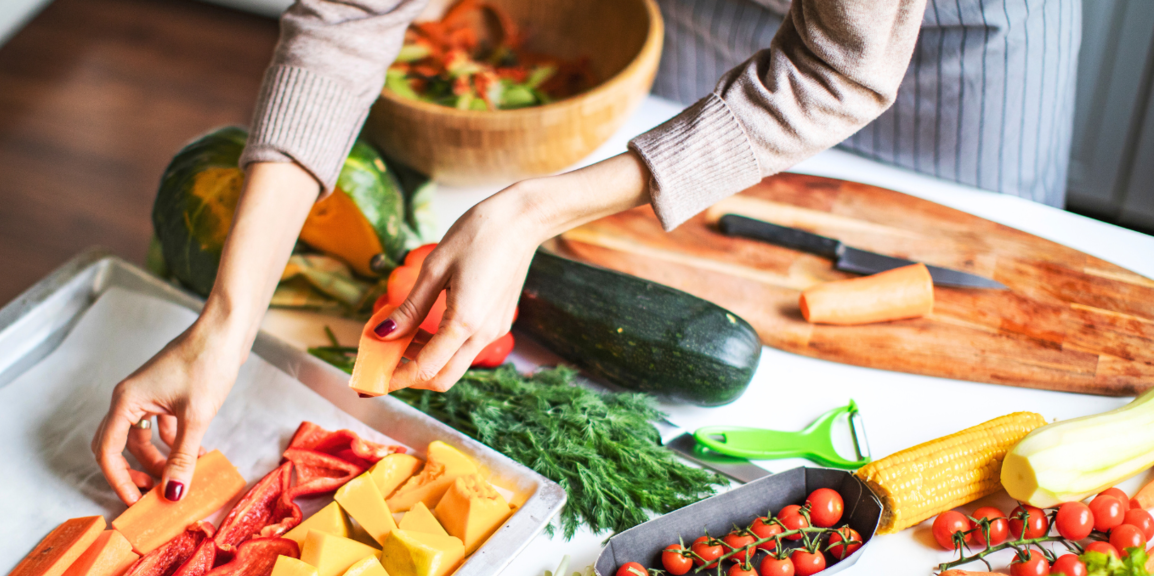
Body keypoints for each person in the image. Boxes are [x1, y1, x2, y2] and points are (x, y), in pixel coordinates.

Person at [92, 0, 1080, 505]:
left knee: (994, 286)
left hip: (962, 29)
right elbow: (351, 20)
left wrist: (529, 213)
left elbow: (836, 67)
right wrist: (222, 325)